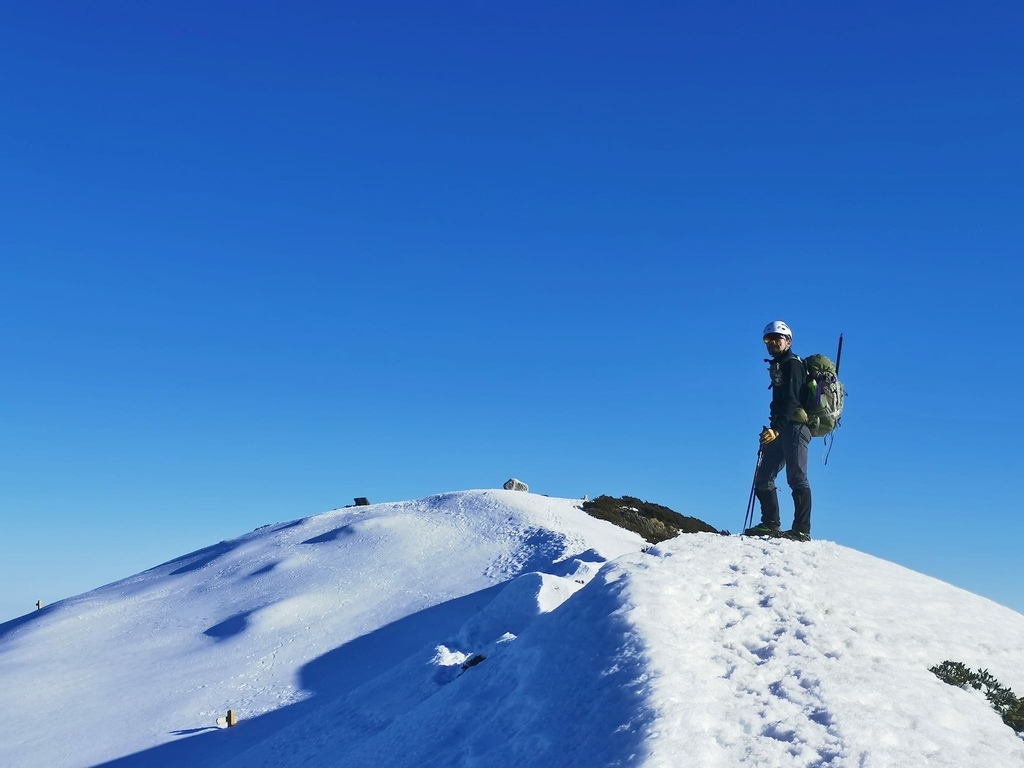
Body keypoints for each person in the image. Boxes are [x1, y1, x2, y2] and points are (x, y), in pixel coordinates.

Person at [743, 320, 813, 542]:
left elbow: (791, 402)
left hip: (795, 428)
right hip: (782, 428)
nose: (772, 342)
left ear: (788, 341)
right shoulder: (780, 365)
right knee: (764, 477)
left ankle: (802, 530)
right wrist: (774, 428)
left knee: (797, 478)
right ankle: (770, 524)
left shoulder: (792, 365)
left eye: (777, 338)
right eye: (768, 339)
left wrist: (775, 428)